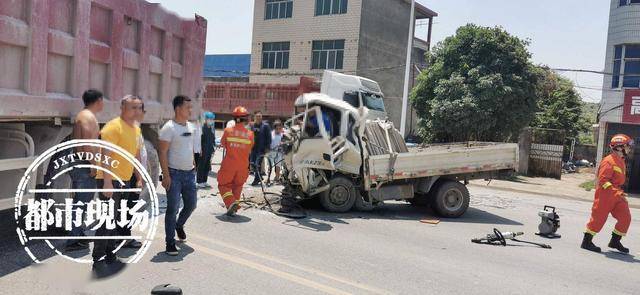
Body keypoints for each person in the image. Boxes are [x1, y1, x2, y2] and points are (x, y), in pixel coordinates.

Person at [93, 95, 144, 269]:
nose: (136, 111)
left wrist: (139, 176)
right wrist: (107, 183)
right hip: (110, 179)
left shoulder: (136, 129)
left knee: (115, 220)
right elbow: (105, 155)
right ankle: (98, 259)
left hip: (124, 180)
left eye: (139, 108)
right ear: (123, 108)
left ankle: (110, 255)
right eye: (132, 107)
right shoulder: (113, 127)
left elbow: (135, 155)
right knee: (107, 221)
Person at [65, 89, 104, 252]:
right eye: (102, 101)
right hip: (84, 164)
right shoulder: (88, 117)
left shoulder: (82, 115)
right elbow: (88, 144)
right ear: (98, 101)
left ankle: (79, 234)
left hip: (78, 163)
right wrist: (94, 165)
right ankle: (73, 240)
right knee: (81, 203)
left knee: (81, 201)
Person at [581, 134, 634, 254]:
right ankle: (586, 242)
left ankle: (615, 241)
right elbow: (603, 180)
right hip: (606, 194)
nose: (629, 148)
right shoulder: (609, 161)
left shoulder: (621, 160)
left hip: (616, 194)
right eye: (627, 146)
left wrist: (618, 194)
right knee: (599, 218)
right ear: (619, 147)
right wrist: (615, 193)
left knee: (625, 217)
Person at [158, 95, 198, 256]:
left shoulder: (190, 126)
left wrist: (193, 162)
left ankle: (179, 225)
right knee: (172, 209)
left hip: (189, 174)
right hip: (174, 175)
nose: (190, 110)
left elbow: (188, 147)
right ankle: (170, 242)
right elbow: (162, 152)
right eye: (187, 107)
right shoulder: (168, 128)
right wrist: (166, 175)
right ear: (178, 109)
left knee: (191, 205)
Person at [218, 106, 254, 216]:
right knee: (237, 186)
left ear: (234, 118)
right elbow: (250, 148)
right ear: (246, 119)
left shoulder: (228, 131)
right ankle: (233, 207)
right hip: (243, 166)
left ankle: (231, 202)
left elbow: (223, 144)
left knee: (223, 185)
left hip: (229, 165)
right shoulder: (250, 134)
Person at [249, 111, 271, 186]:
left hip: (261, 148)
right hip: (253, 148)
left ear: (261, 117)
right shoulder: (252, 126)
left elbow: (269, 137)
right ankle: (259, 176)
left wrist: (267, 147)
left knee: (257, 163)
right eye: (257, 116)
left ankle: (256, 179)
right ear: (254, 117)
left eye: (260, 116)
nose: (258, 118)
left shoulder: (265, 126)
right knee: (252, 163)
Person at [196, 112, 216, 188]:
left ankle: (204, 181)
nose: (211, 120)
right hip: (203, 149)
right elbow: (199, 140)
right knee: (201, 165)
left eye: (212, 119)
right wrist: (200, 149)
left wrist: (213, 146)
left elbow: (212, 138)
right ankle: (199, 181)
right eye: (209, 119)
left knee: (207, 166)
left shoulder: (211, 128)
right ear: (206, 119)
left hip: (209, 149)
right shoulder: (202, 128)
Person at [266, 120, 284, 186]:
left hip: (279, 153)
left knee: (278, 166)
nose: (278, 130)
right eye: (277, 128)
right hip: (271, 152)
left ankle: (277, 178)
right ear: (274, 128)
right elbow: (268, 142)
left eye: (280, 128)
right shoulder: (271, 134)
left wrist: (281, 146)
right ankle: (268, 178)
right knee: (270, 166)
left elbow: (284, 143)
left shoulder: (282, 135)